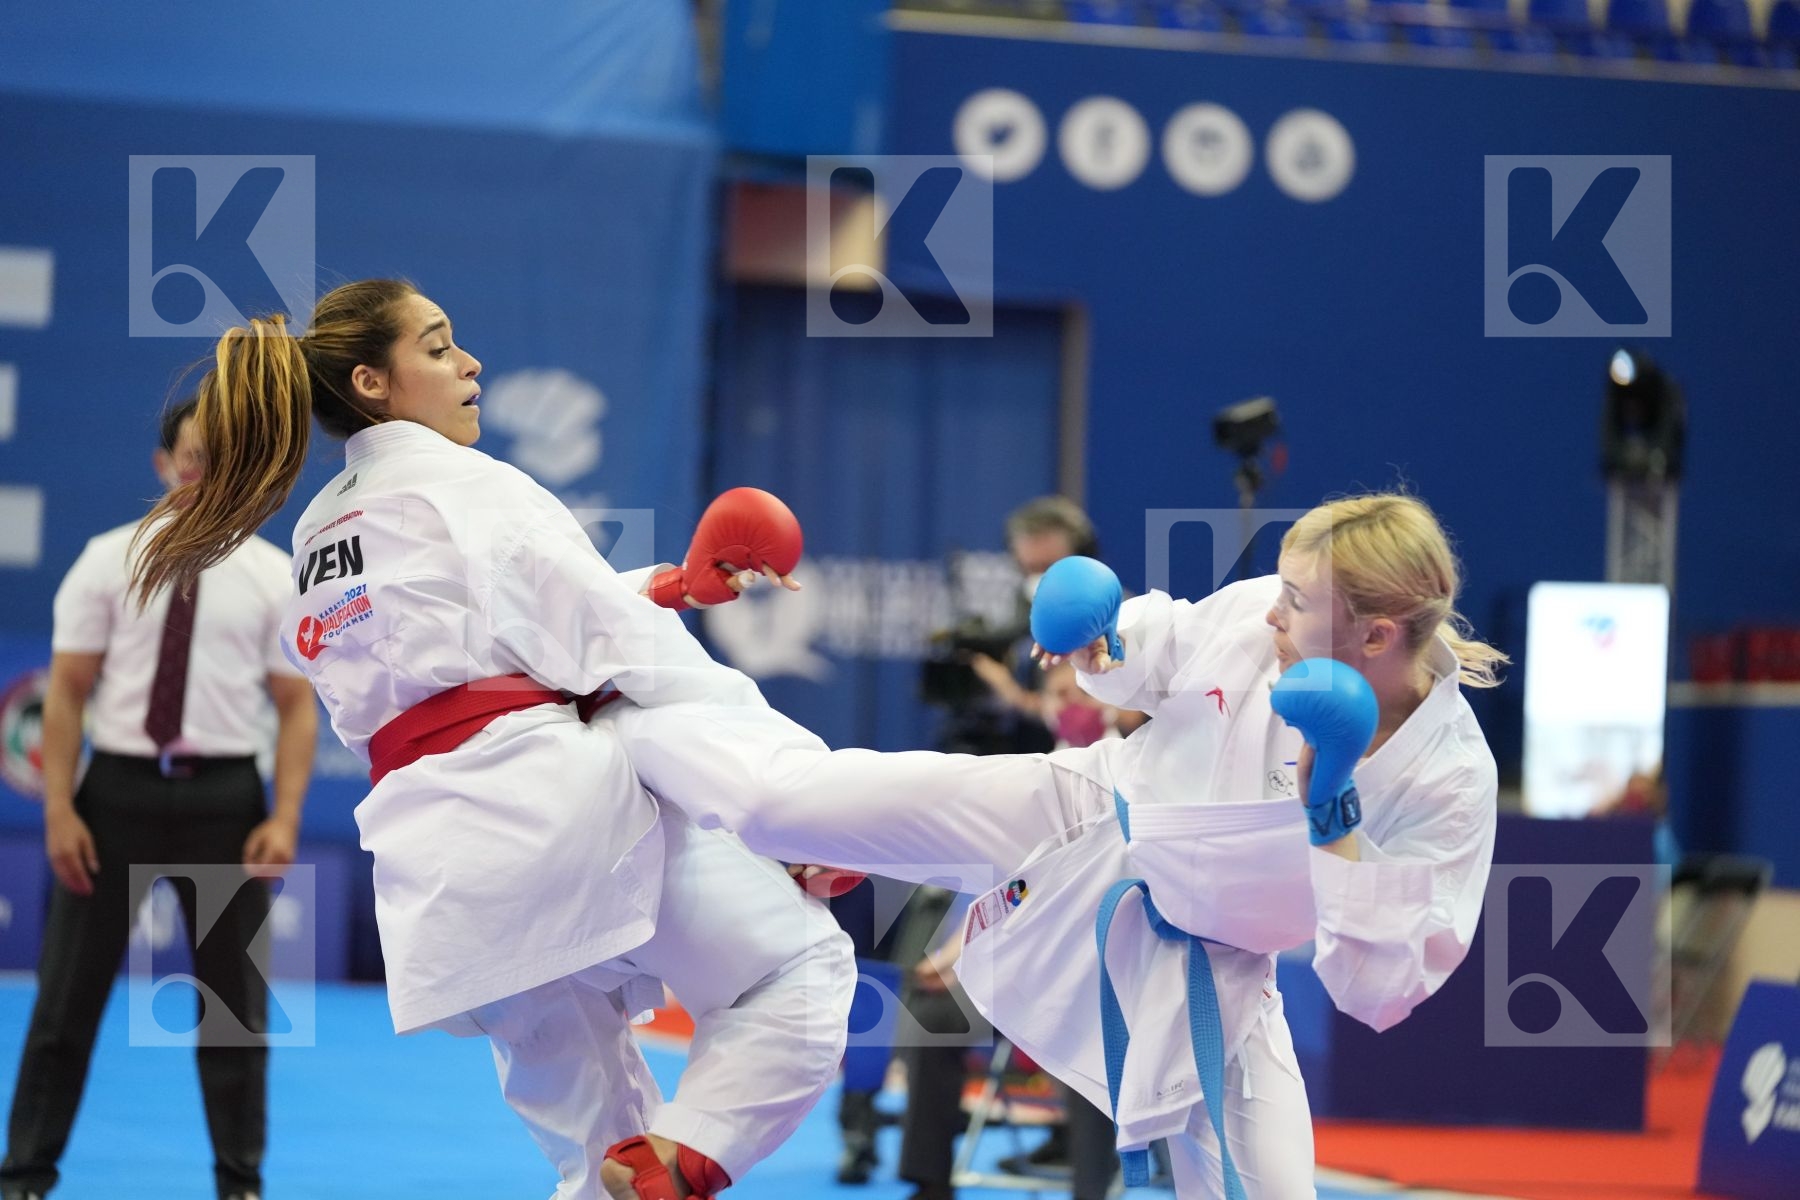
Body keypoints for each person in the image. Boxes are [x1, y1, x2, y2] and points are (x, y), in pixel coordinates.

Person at [127, 280, 856, 1200]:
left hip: (444, 881)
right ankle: (690, 1153)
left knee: (602, 1164)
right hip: (555, 817)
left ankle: (656, 1169)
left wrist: (667, 585)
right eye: (437, 347)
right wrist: (804, 805)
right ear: (373, 382)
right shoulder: (472, 485)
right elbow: (632, 655)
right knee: (798, 972)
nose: (469, 363)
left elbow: (460, 652)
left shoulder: (316, 537)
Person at [602, 492, 1506, 1199]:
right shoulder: (1257, 617)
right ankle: (614, 711)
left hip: (1211, 964)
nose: (1273, 613)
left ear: (1376, 635)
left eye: (1298, 602)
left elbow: (1380, 985)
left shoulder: (1448, 780)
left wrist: (1333, 820)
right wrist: (1103, 640)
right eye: (1280, 589)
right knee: (781, 805)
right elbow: (1153, 654)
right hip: (1084, 808)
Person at [1, 399, 317, 1200]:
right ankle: (25, 1178)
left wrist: (284, 816)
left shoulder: (272, 573)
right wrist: (60, 809)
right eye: (191, 455)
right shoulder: (107, 561)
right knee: (64, 1003)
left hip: (226, 802)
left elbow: (295, 707)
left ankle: (240, 1184)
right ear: (163, 463)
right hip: (115, 797)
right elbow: (66, 693)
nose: (203, 472)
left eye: (220, 458)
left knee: (235, 1013)